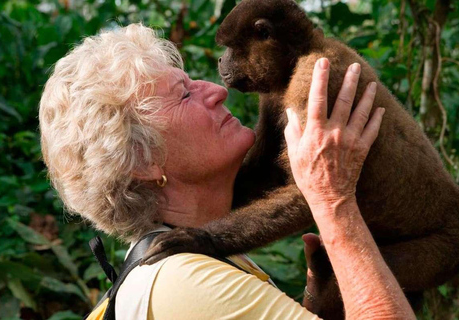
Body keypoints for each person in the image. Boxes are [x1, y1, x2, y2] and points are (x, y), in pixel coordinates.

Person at [39, 23, 416, 319]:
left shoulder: (196, 263)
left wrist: (322, 303)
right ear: (143, 161)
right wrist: (333, 200)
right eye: (184, 94)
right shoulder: (183, 282)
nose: (217, 91)